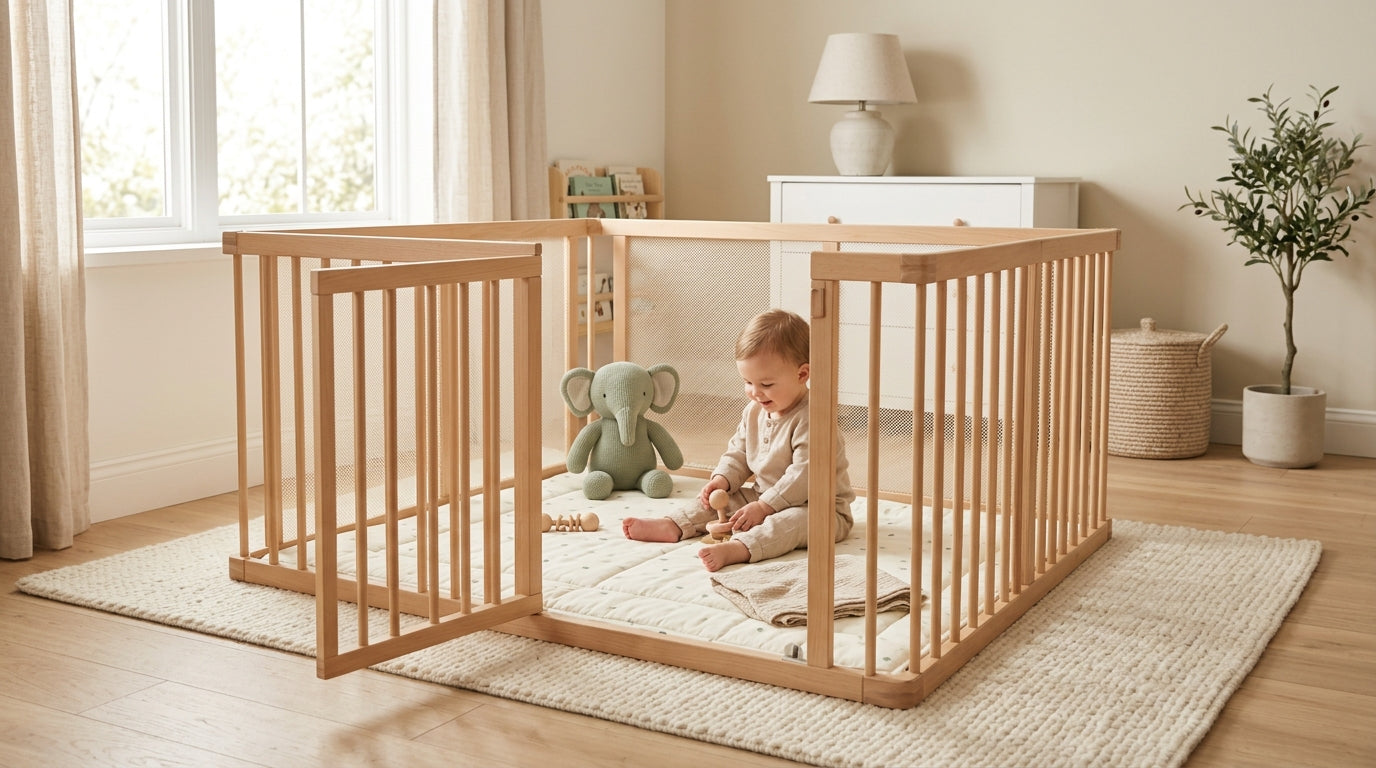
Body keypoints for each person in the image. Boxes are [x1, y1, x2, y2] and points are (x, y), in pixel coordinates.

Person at [622, 308, 855, 572]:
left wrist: (766, 507)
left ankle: (741, 548)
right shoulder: (755, 410)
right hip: (761, 496)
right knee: (721, 502)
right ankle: (675, 524)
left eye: (766, 384)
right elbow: (739, 453)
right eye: (747, 382)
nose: (755, 393)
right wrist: (721, 479)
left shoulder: (815, 417)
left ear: (802, 374)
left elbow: (804, 475)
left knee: (790, 523)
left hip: (818, 509)